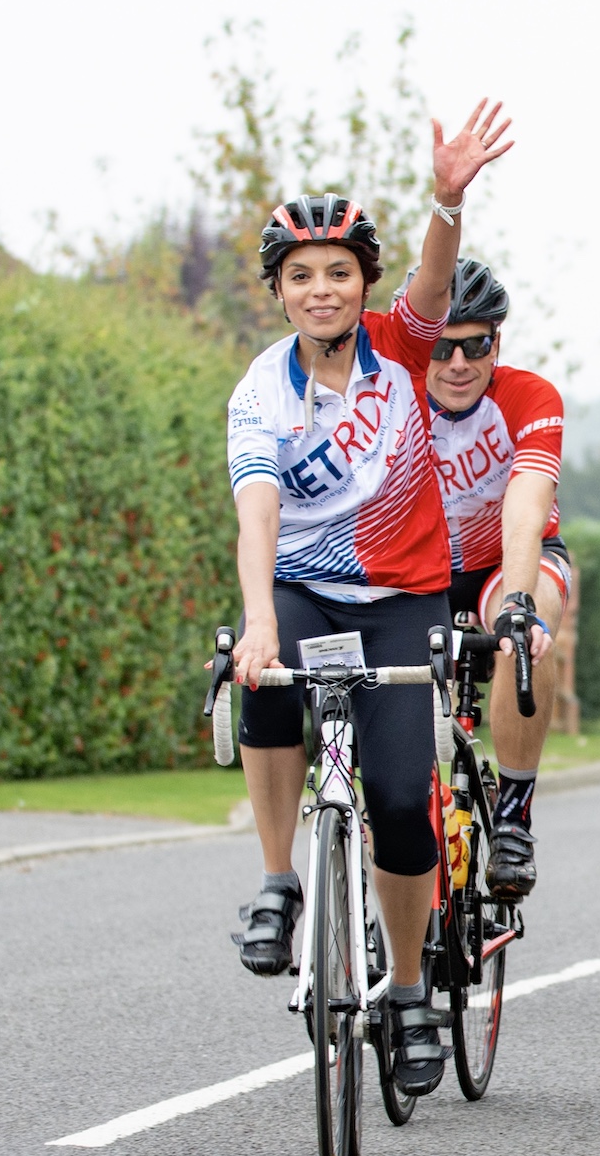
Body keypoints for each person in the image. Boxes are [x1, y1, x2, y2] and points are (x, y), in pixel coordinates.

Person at [227, 101, 511, 1095]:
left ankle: (402, 989)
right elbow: (256, 511)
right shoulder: (260, 391)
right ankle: (278, 878)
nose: (319, 289)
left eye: (337, 271)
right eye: (300, 274)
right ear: (279, 290)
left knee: (400, 801)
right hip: (303, 590)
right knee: (257, 678)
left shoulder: (401, 345)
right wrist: (261, 618)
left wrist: (446, 198)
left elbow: (436, 279)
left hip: (402, 597)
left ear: (361, 283)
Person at [388, 256, 567, 898]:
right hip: (422, 572)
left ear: (498, 343)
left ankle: (515, 816)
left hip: (508, 561)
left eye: (477, 344)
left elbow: (526, 506)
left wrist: (518, 602)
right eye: (441, 345)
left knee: (528, 631)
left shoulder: (530, 396)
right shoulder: (392, 396)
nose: (459, 362)